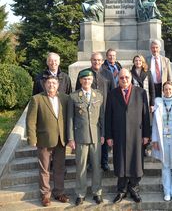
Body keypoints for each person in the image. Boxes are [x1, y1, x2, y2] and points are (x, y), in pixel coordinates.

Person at [105, 68, 150, 204]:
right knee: (121, 161)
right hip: (119, 134)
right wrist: (109, 136)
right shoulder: (112, 94)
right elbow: (108, 116)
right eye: (121, 78)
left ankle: (134, 188)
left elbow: (146, 115)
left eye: (126, 77)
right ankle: (121, 190)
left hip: (137, 134)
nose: (124, 80)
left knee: (135, 162)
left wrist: (146, 134)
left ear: (131, 78)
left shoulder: (140, 92)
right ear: (118, 79)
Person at [26, 75, 69, 207]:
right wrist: (32, 138)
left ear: (58, 85)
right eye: (49, 83)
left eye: (54, 83)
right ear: (45, 85)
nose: (51, 85)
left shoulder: (65, 98)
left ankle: (59, 192)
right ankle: (45, 195)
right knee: (44, 169)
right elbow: (30, 121)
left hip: (61, 140)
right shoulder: (37, 99)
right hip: (44, 140)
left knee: (59, 168)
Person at [68, 70, 104, 206]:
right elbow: (70, 119)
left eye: (89, 79)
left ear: (92, 80)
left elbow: (102, 117)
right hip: (80, 137)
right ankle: (80, 193)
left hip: (95, 136)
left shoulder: (98, 95)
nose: (87, 81)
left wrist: (103, 134)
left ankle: (97, 192)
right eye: (84, 79)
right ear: (80, 81)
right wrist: (71, 138)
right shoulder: (73, 97)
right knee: (81, 167)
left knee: (96, 166)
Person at [75, 52, 115, 171]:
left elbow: (112, 91)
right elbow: (78, 91)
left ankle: (104, 161)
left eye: (99, 60)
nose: (96, 62)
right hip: (88, 110)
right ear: (90, 60)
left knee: (104, 134)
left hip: (104, 109)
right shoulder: (84, 74)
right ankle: (91, 163)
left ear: (103, 61)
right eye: (94, 60)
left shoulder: (108, 74)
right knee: (90, 137)